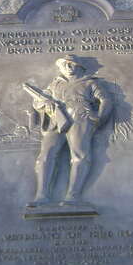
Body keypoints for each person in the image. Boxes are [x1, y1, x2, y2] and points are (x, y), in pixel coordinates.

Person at [25, 55, 112, 207]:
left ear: (80, 67)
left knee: (79, 156)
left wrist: (99, 118)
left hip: (80, 118)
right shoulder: (55, 84)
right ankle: (41, 195)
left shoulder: (90, 83)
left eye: (72, 64)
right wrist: (44, 103)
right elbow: (38, 102)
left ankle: (73, 196)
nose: (68, 67)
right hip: (55, 121)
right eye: (65, 65)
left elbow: (106, 100)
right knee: (45, 156)